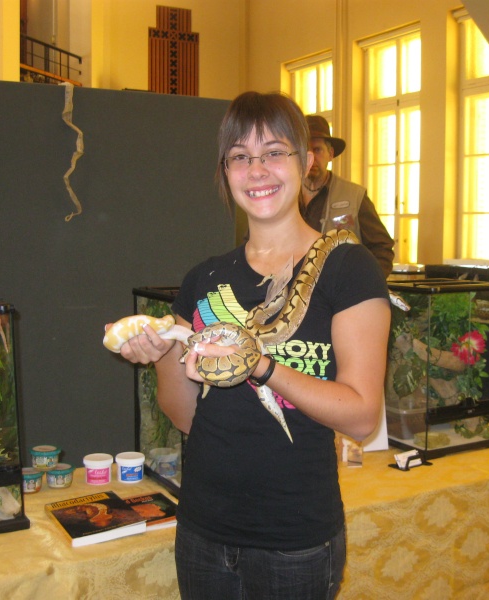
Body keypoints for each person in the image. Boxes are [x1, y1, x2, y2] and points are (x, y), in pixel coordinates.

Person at [117, 91, 390, 599]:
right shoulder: (204, 278)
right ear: (225, 172)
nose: (257, 169)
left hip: (295, 539)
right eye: (240, 156)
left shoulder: (349, 269)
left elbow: (360, 416)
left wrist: (258, 364)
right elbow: (184, 415)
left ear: (306, 162)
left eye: (274, 152)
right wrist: (162, 355)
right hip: (203, 530)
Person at [302, 114, 396, 277]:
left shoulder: (355, 197)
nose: (311, 158)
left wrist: (366, 286)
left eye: (317, 150)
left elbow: (382, 248)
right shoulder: (285, 196)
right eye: (305, 151)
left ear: (330, 154)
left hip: (341, 295)